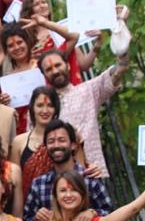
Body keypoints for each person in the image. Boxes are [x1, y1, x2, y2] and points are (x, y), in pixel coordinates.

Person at [38, 33, 131, 178]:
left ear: (68, 65)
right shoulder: (41, 107)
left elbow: (120, 69)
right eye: (49, 69)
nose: (55, 71)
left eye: (58, 65)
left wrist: (122, 46)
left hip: (93, 173)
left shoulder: (88, 90)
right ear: (44, 75)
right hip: (59, 179)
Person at [22, 119, 112, 221]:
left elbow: (109, 213)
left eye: (62, 140)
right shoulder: (39, 184)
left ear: (73, 145)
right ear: (46, 147)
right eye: (51, 141)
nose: (56, 145)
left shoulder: (90, 178)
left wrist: (92, 213)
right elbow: (27, 219)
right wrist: (37, 217)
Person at [9, 85, 57, 197]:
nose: (45, 110)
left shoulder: (67, 137)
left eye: (50, 105)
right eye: (40, 105)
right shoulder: (19, 142)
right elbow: (15, 183)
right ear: (32, 108)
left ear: (56, 109)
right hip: (29, 203)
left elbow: (80, 174)